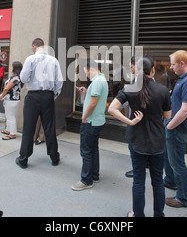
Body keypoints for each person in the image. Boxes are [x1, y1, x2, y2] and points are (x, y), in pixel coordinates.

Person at [108, 57, 171, 217]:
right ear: (153, 71)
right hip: (157, 141)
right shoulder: (162, 91)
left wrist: (130, 121)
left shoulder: (129, 89)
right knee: (158, 182)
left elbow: (112, 109)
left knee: (138, 181)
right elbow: (168, 116)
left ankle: (138, 214)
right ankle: (159, 214)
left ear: (136, 70)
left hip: (137, 140)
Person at [16, 38, 63, 169]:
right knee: (49, 127)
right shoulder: (53, 60)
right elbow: (59, 81)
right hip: (48, 96)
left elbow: (24, 78)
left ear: (34, 46)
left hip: (33, 96)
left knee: (28, 128)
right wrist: (53, 95)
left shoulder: (30, 59)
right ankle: (54, 157)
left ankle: (23, 159)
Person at [164, 50, 187, 208]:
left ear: (181, 63)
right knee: (172, 160)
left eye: (173, 64)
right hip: (176, 127)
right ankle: (171, 181)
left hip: (178, 129)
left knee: (177, 163)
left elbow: (186, 109)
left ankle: (184, 198)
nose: (171, 67)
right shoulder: (185, 79)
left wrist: (170, 125)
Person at [72, 60, 109, 191]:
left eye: (86, 72)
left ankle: (86, 180)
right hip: (97, 121)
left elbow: (93, 104)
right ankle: (94, 175)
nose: (86, 75)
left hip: (91, 121)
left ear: (91, 68)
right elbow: (95, 99)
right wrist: (87, 91)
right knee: (93, 149)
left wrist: (84, 117)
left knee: (86, 151)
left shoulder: (97, 82)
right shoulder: (101, 80)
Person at [0, 61, 23, 140]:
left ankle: (12, 133)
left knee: (10, 116)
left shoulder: (15, 78)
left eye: (12, 66)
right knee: (8, 115)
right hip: (12, 99)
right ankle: (8, 130)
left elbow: (6, 88)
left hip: (11, 99)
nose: (11, 67)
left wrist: (2, 95)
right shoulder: (18, 77)